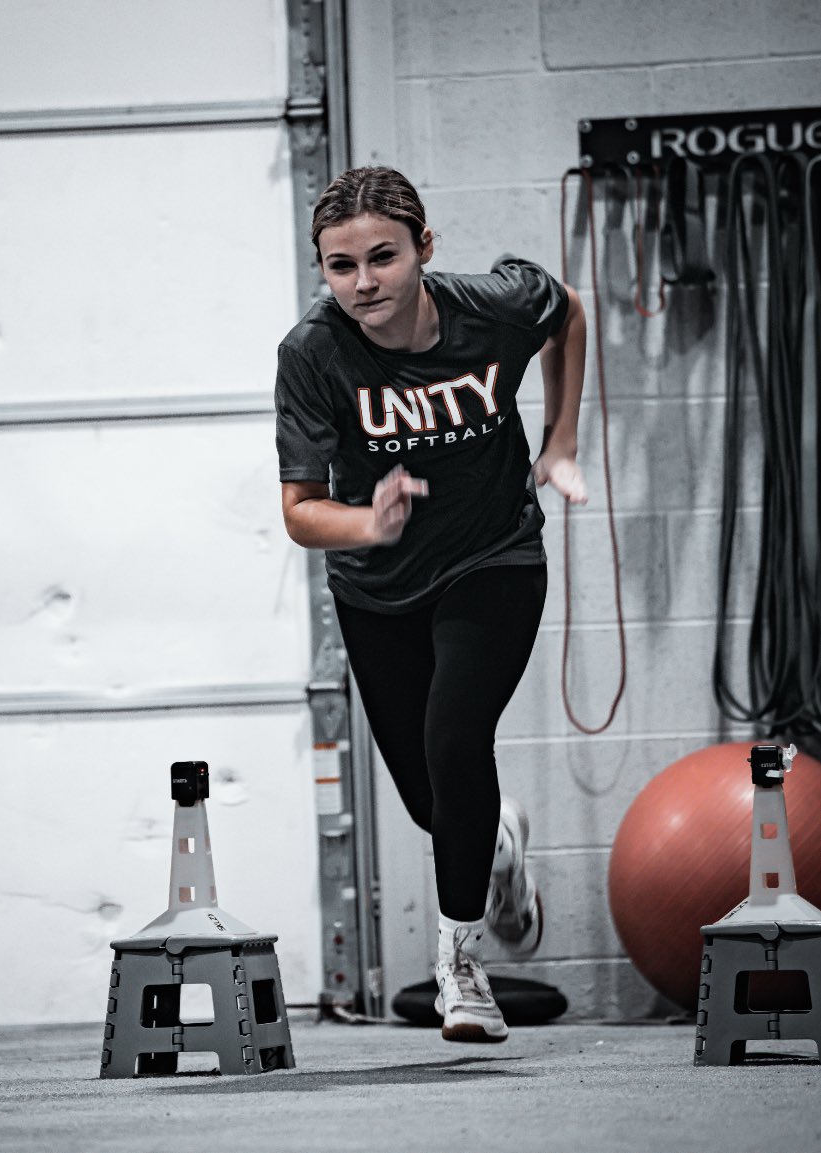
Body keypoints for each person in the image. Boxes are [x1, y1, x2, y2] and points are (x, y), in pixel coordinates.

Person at [275, 167, 587, 1043]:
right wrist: (368, 523)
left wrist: (560, 442)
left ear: (424, 248)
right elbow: (301, 512)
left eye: (382, 257)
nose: (363, 282)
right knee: (431, 797)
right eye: (340, 266)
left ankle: (461, 967)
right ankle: (496, 843)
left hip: (494, 556)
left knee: (457, 737)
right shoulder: (312, 353)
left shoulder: (493, 305)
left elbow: (568, 309)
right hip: (378, 586)